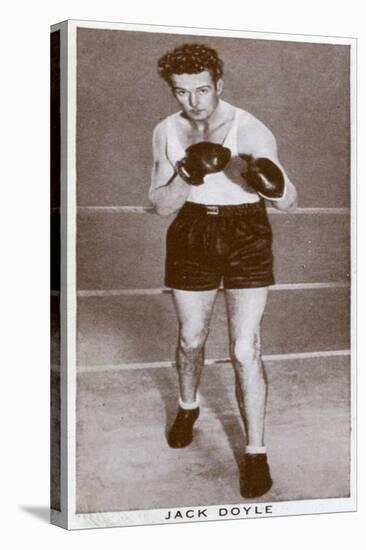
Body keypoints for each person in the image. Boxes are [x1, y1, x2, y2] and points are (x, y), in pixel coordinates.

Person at [148, 43, 297, 498]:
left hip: (246, 233)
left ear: (219, 84)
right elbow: (159, 205)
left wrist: (264, 181)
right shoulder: (166, 131)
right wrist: (185, 175)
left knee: (244, 349)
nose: (194, 102)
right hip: (193, 230)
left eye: (203, 90)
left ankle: (256, 453)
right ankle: (187, 405)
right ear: (173, 91)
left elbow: (288, 201)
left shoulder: (248, 128)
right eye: (182, 92)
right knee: (191, 339)